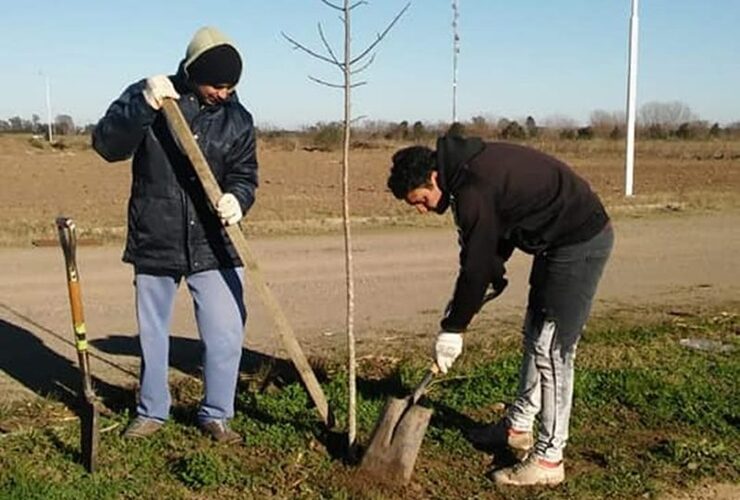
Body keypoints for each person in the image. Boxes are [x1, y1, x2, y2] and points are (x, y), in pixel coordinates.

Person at [387, 134, 613, 486]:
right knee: (534, 337)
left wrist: (453, 329)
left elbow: (477, 265)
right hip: (553, 245)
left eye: (420, 200)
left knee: (553, 350)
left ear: (433, 178)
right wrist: (465, 305)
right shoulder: (465, 174)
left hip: (578, 241)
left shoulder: (471, 187)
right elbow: (487, 252)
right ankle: (517, 427)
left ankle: (550, 461)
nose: (422, 209)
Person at [92, 26, 258, 444]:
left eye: (231, 85)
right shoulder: (152, 96)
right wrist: (142, 106)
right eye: (216, 84)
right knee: (152, 335)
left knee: (226, 332)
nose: (223, 92)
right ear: (191, 72)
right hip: (157, 235)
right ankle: (151, 412)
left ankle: (216, 414)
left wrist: (238, 198)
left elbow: (245, 175)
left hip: (215, 243)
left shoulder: (238, 119)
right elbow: (107, 145)